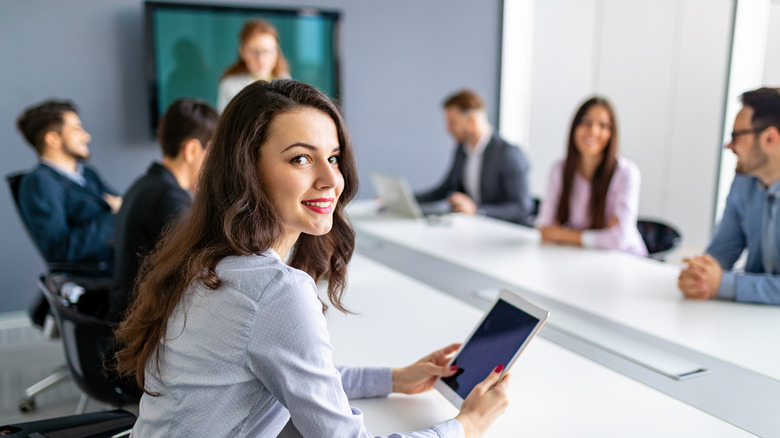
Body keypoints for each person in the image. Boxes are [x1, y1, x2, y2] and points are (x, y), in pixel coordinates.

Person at [114, 80, 510, 437]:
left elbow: (296, 374)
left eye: (333, 157)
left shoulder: (205, 259)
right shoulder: (272, 291)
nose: (331, 179)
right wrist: (466, 426)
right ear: (246, 169)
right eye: (301, 158)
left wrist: (396, 379)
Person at [109, 99, 218, 321]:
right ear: (192, 149)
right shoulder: (168, 199)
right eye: (214, 152)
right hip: (145, 325)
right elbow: (196, 270)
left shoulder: (146, 184)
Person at [679, 87, 780, 305]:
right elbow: (723, 250)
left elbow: (723, 281)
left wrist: (724, 284)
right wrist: (700, 275)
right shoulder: (744, 181)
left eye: (736, 136)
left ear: (769, 138)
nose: (729, 146)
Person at [15, 100, 121, 267]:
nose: (86, 136)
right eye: (77, 129)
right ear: (53, 140)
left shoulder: (88, 173)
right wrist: (116, 216)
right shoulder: (39, 183)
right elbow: (60, 250)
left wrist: (120, 210)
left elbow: (123, 204)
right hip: (101, 277)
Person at [536, 96, 647, 256]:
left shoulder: (626, 173)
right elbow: (545, 229)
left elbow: (617, 240)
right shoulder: (559, 170)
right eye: (587, 122)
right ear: (575, 127)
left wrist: (561, 233)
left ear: (611, 133)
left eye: (603, 125)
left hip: (625, 260)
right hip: (581, 256)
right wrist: (600, 236)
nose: (593, 131)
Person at [415, 89, 534, 225]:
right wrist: (406, 199)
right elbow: (444, 189)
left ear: (471, 120)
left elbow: (522, 207)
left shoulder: (508, 154)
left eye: (453, 122)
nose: (447, 129)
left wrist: (478, 211)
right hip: (473, 229)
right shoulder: (462, 150)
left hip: (503, 232)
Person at [216, 19, 291, 112]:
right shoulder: (230, 85)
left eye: (267, 51)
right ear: (243, 52)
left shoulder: (286, 81)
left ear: (277, 51)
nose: (261, 59)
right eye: (255, 52)